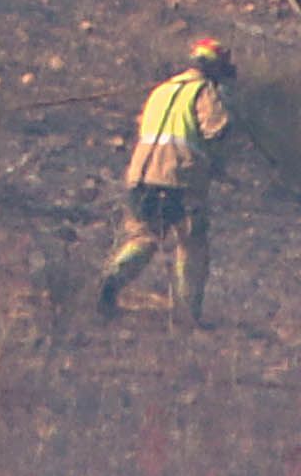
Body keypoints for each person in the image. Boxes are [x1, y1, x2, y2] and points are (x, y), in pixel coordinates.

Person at [100, 39, 239, 320]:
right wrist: (228, 103)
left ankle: (109, 283)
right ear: (216, 68)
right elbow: (216, 129)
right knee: (191, 243)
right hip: (180, 179)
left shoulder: (160, 91)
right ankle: (187, 313)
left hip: (140, 176)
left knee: (143, 238)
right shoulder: (205, 92)